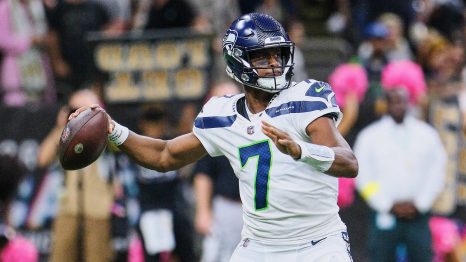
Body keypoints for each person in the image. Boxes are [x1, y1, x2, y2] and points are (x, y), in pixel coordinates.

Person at [71, 13, 358, 262]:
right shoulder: (221, 115)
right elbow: (164, 156)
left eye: (278, 54)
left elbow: (348, 162)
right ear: (237, 61)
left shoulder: (305, 98)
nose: (274, 64)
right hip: (259, 247)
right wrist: (113, 129)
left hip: (318, 243)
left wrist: (301, 151)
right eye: (262, 56)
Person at [354, 86, 447, 262]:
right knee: (379, 257)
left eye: (402, 101)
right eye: (394, 101)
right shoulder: (370, 136)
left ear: (409, 103)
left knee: (423, 256)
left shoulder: (427, 134)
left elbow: (436, 172)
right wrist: (385, 204)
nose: (398, 106)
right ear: (386, 104)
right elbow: (363, 177)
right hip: (384, 213)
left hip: (418, 213)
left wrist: (421, 203)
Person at [37, 89, 116, 262]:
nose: (79, 114)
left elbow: (118, 152)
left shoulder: (107, 131)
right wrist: (61, 126)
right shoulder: (65, 135)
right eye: (75, 109)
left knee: (98, 257)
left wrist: (97, 121)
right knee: (61, 257)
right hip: (68, 208)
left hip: (98, 208)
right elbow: (42, 159)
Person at [134, 106, 195, 262]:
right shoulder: (136, 148)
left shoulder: (173, 144)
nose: (155, 129)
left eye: (158, 123)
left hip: (173, 208)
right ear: (143, 124)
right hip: (149, 210)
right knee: (152, 255)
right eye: (151, 124)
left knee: (186, 249)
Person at [193, 81, 242, 262]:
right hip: (226, 206)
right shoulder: (212, 133)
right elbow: (203, 175)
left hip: (257, 208)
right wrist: (203, 210)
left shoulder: (251, 128)